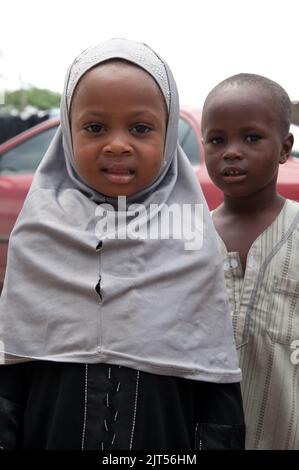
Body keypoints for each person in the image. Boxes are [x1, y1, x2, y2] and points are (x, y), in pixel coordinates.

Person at [0, 39, 245, 450]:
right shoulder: (38, 235)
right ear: (68, 132)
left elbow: (214, 384)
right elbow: (10, 376)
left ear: (168, 138)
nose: (117, 144)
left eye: (141, 128)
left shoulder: (193, 243)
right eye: (95, 127)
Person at [201, 73, 299, 450]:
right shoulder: (193, 240)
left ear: (284, 148)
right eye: (217, 140)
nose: (231, 151)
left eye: (252, 138)